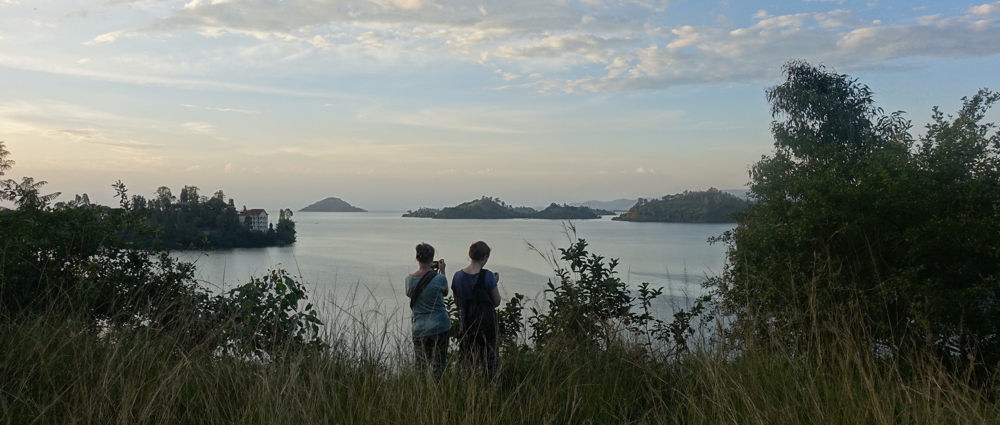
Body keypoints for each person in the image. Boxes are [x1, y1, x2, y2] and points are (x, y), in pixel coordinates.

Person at [451, 241, 501, 377]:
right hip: (487, 327)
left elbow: (458, 303)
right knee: (490, 365)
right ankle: (490, 393)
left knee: (468, 366)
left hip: (466, 327)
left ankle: (468, 394)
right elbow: (496, 302)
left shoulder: (457, 276)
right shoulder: (488, 276)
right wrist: (494, 283)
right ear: (484, 257)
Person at [406, 243, 450, 378]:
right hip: (440, 327)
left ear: (417, 258)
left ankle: (422, 395)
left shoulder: (409, 279)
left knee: (420, 367)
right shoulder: (440, 278)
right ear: (432, 259)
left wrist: (431, 276)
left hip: (419, 329)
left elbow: (412, 294)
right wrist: (441, 272)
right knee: (439, 366)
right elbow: (445, 292)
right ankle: (437, 394)